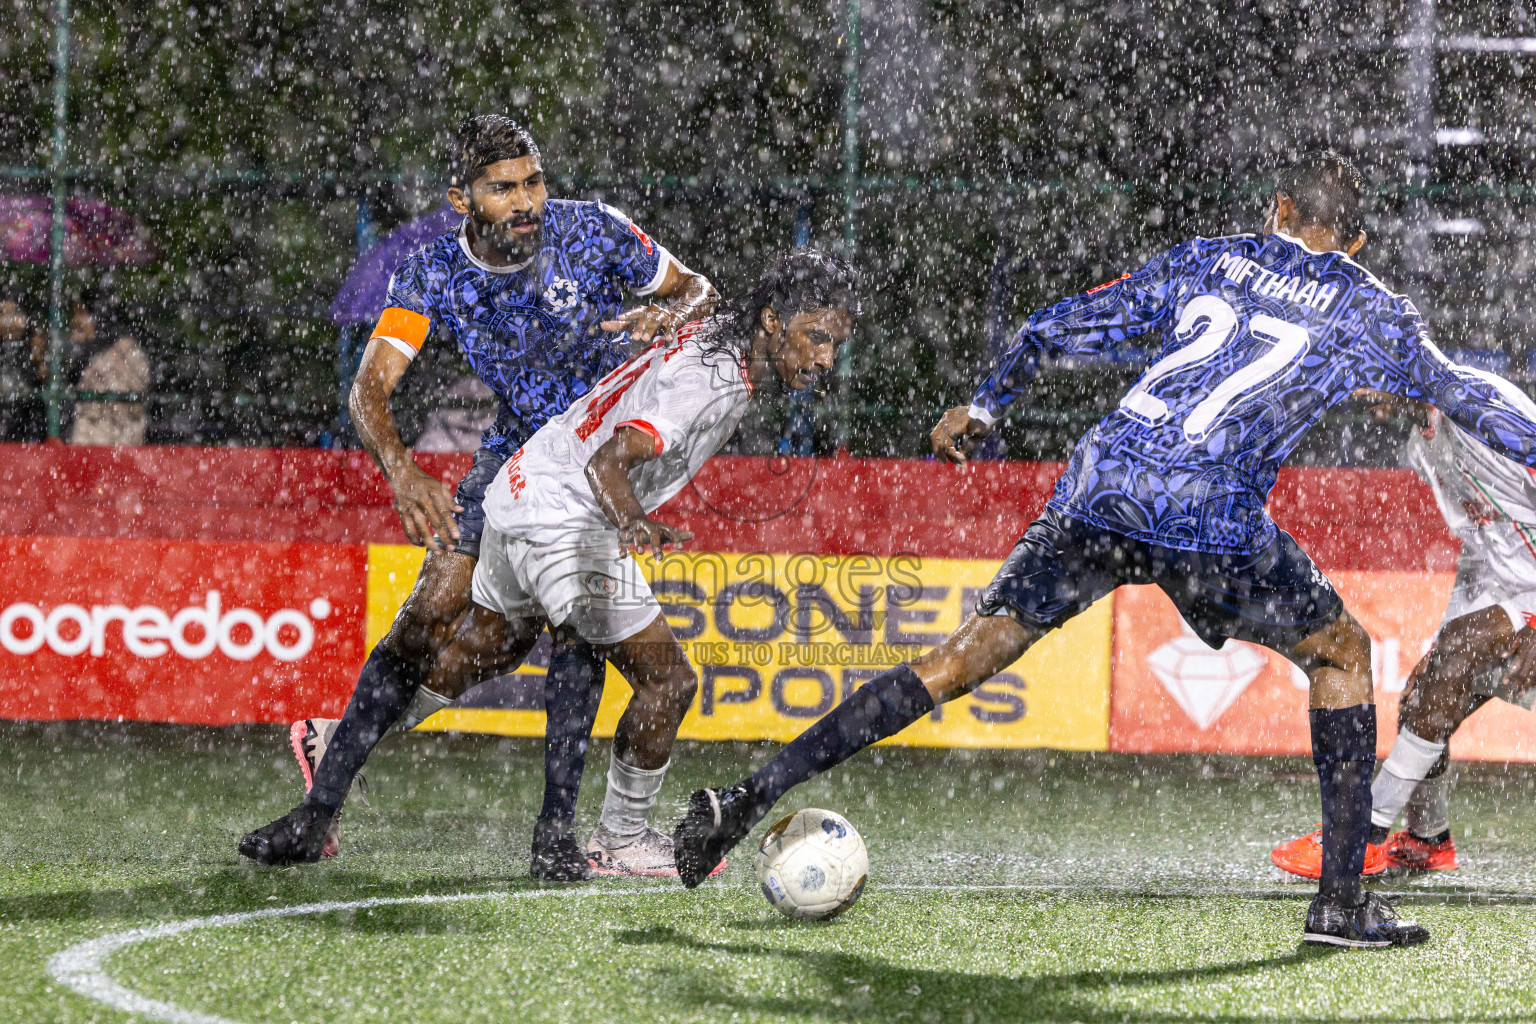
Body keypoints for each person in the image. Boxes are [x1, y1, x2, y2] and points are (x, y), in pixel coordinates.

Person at [674, 152, 1536, 949]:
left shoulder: (1207, 258)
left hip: (1102, 483)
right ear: (1355, 241)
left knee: (956, 660)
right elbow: (1472, 397)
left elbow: (1055, 327)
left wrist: (988, 404)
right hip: (1208, 508)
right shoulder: (1368, 305)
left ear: (1277, 209)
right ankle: (1341, 904)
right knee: (1342, 652)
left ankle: (744, 799)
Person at [241, 248, 860, 872]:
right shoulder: (710, 382)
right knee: (665, 680)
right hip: (567, 510)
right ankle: (606, 838)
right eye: (817, 337)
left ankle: (338, 743)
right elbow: (609, 464)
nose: (826, 359)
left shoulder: (721, 334)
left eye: (836, 343)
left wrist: (673, 310)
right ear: (772, 321)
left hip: (523, 482)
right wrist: (633, 522)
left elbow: (703, 295)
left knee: (489, 650)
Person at [252, 114, 718, 879]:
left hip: (593, 463)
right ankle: (319, 808)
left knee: (557, 632)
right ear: (461, 199)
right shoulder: (433, 272)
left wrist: (672, 312)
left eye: (533, 181)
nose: (525, 200)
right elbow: (370, 386)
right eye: (503, 188)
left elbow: (698, 287)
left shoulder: (595, 230)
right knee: (431, 617)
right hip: (512, 458)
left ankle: (555, 834)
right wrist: (402, 468)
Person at [1270, 391, 1536, 878]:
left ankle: (1360, 835)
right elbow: (1481, 547)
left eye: (1372, 379)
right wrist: (1443, 643)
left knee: (1453, 658)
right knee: (1421, 697)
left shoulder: (1484, 413)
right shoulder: (1423, 443)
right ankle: (1427, 839)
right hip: (1513, 593)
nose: (1361, 394)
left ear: (1409, 373)